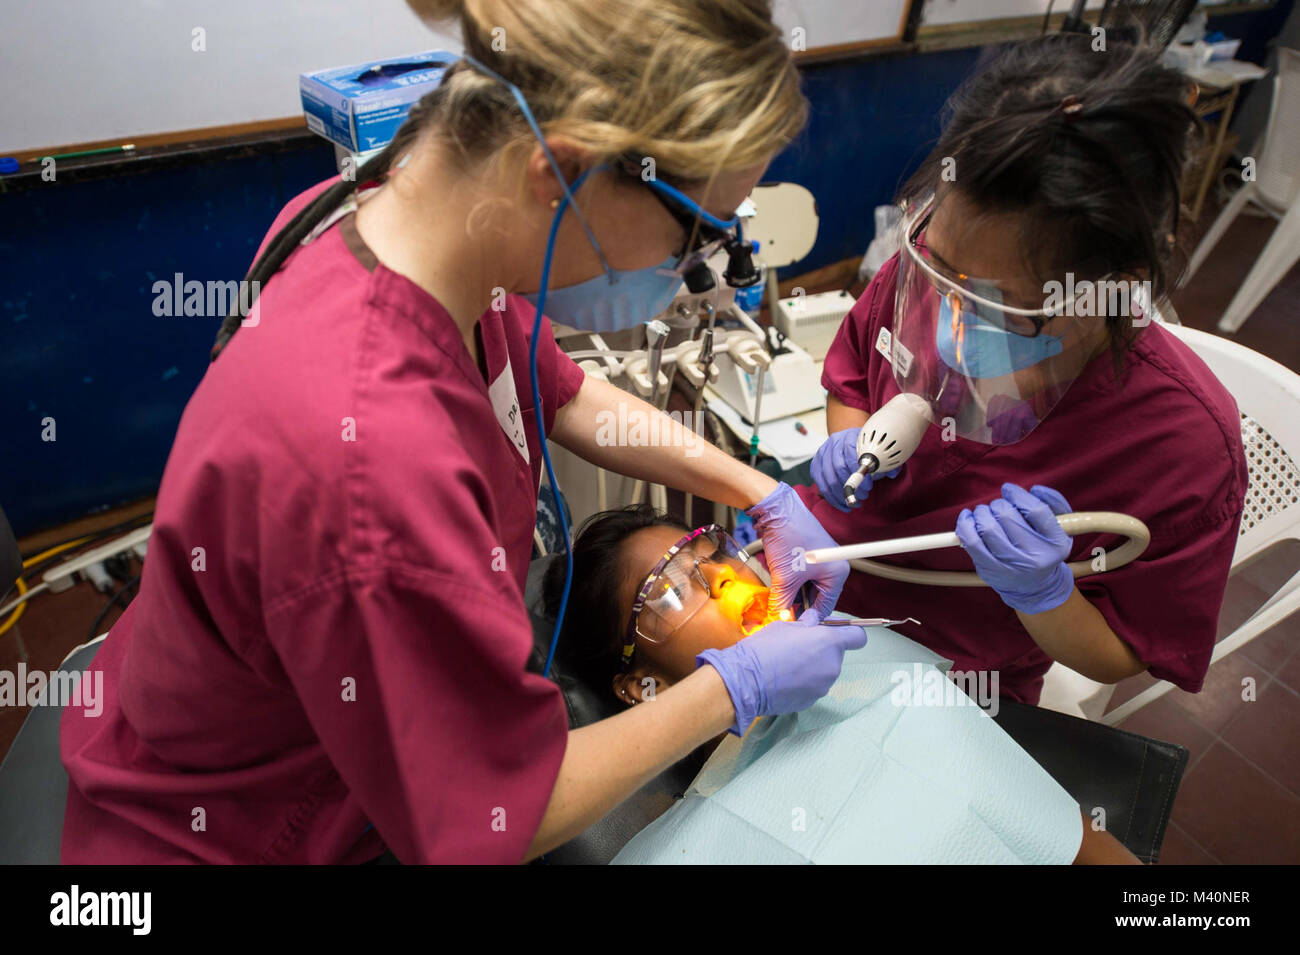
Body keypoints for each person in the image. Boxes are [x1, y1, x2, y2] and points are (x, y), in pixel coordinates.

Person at [59, 0, 865, 864]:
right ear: (559, 169)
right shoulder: (367, 458)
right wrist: (732, 689)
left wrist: (756, 488)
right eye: (697, 232)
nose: (694, 272)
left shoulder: (402, 224)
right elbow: (492, 815)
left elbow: (560, 396)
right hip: (242, 830)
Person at [806, 34, 1248, 705]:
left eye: (995, 305)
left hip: (959, 681)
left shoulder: (1181, 446)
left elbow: (1122, 654)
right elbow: (851, 381)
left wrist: (1043, 594)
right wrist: (850, 441)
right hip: (821, 579)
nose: (951, 318)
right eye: (940, 274)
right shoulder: (919, 271)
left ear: (1111, 286)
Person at [542, 505, 1139, 864]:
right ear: (640, 684)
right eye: (671, 592)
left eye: (713, 554)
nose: (725, 581)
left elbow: (1080, 846)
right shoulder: (679, 847)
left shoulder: (877, 663)